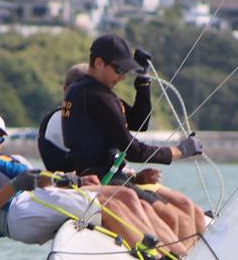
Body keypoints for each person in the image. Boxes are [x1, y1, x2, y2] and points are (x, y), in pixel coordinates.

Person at [0, 104, 188, 258]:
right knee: (104, 205)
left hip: (26, 200)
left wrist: (67, 180)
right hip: (13, 216)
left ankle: (176, 252)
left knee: (123, 195)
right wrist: (16, 186)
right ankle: (158, 259)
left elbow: (18, 173)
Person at [61, 34, 207, 240]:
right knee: (177, 220)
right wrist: (179, 151)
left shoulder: (87, 91)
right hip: (105, 179)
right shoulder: (97, 96)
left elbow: (139, 122)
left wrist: (143, 80)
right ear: (99, 63)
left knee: (184, 211)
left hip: (114, 176)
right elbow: (133, 150)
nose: (122, 77)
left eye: (126, 71)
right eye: (119, 69)